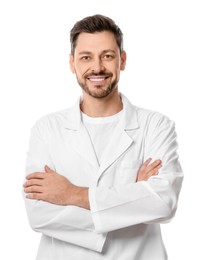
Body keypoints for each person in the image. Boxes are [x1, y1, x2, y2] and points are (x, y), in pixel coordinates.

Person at [23, 14, 183, 260]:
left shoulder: (156, 125)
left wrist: (71, 195)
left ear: (123, 60)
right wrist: (135, 195)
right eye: (86, 57)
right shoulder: (46, 129)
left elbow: (163, 202)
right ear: (72, 63)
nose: (97, 67)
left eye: (107, 56)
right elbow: (39, 214)